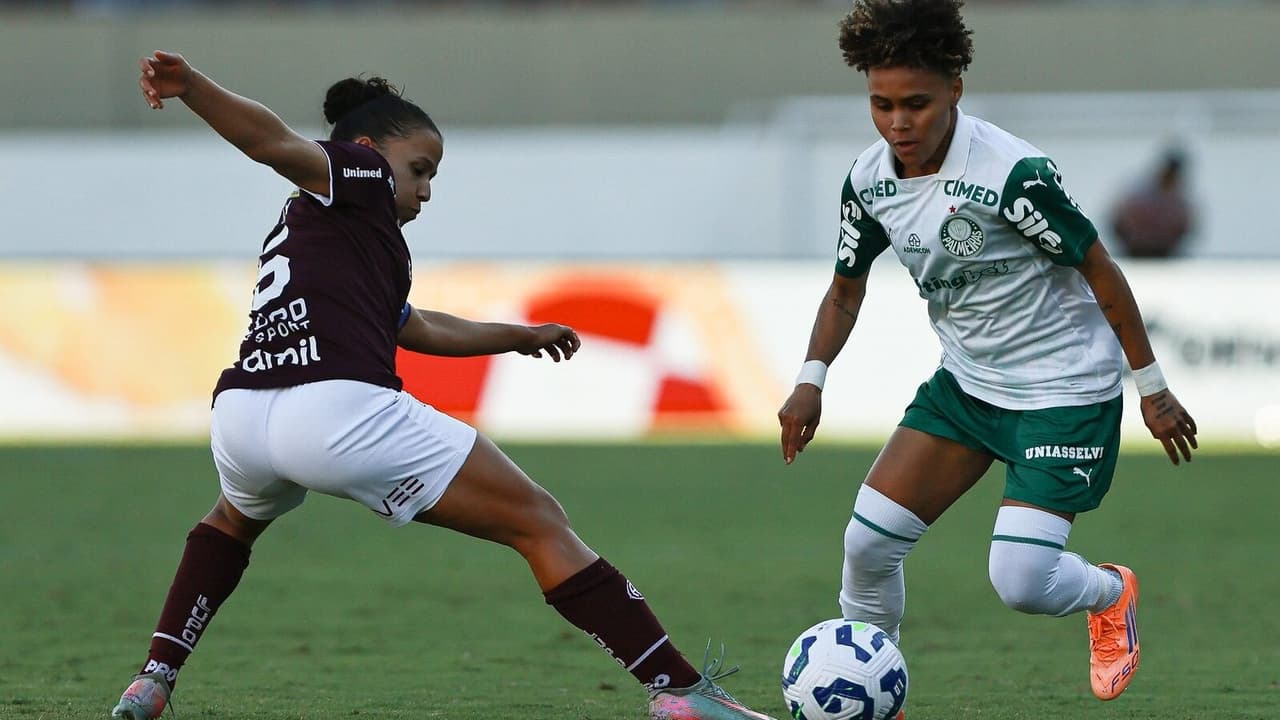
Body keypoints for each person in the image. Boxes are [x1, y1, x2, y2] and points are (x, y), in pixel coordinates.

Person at [111, 50, 776, 720]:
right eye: (420, 169)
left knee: (230, 523)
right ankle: (681, 692)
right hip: (335, 411)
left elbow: (414, 325)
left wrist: (515, 335)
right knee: (539, 521)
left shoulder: (326, 228)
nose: (426, 189)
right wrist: (192, 86)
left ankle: (154, 679)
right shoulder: (361, 174)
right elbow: (271, 142)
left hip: (243, 416)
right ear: (368, 151)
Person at [775, 0, 1198, 712]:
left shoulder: (1009, 174)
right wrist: (810, 380)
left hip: (1063, 392)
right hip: (968, 389)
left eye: (916, 103)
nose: (898, 123)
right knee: (866, 548)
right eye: (881, 105)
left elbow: (1101, 269)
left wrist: (1152, 388)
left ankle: (1110, 592)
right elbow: (846, 290)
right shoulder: (869, 182)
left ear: (956, 89)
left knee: (1022, 582)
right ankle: (878, 699)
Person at [1110, 148, 1194, 258]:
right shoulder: (1137, 191)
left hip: (1164, 254)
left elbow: (1185, 227)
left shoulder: (1180, 199)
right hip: (1134, 251)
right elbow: (1116, 220)